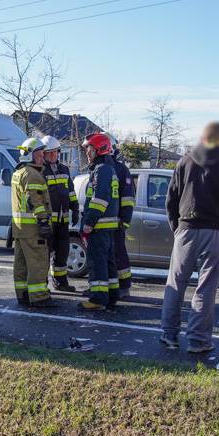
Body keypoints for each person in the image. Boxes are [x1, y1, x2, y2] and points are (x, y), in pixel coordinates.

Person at [160, 121, 219, 353]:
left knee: (176, 282)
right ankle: (198, 341)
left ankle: (169, 335)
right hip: (216, 230)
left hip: (186, 229)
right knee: (206, 286)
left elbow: (171, 199)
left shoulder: (185, 161)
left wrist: (176, 227)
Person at [78, 133, 120, 311]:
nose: (87, 152)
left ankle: (97, 299)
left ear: (100, 149)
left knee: (97, 263)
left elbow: (99, 199)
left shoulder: (101, 170)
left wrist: (88, 222)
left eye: (90, 148)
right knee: (108, 263)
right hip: (107, 226)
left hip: (99, 225)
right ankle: (110, 296)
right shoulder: (108, 169)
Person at [11, 137, 54, 307]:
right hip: (33, 229)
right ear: (30, 155)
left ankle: (23, 295)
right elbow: (34, 201)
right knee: (38, 262)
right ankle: (39, 297)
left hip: (20, 229)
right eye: (40, 154)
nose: (43, 157)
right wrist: (44, 222)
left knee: (21, 264)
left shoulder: (18, 173)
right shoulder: (32, 175)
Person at [40, 135, 79, 292]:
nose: (53, 155)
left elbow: (70, 191)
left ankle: (61, 282)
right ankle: (42, 285)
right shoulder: (40, 171)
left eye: (55, 152)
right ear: (43, 153)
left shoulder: (64, 169)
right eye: (49, 152)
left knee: (62, 252)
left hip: (63, 221)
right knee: (44, 254)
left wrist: (75, 208)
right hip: (48, 221)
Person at [112, 142, 135, 299]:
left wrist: (124, 221)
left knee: (119, 253)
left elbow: (128, 199)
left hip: (117, 222)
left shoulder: (121, 170)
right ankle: (108, 287)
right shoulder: (99, 168)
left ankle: (124, 286)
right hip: (103, 223)